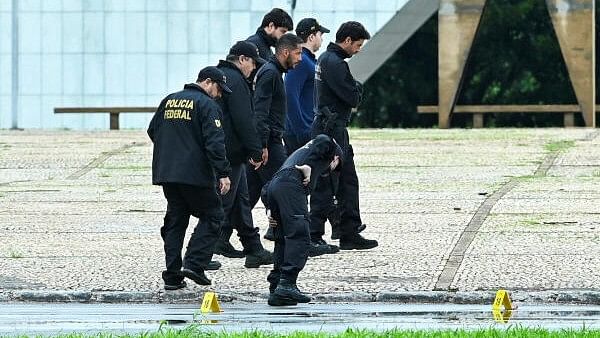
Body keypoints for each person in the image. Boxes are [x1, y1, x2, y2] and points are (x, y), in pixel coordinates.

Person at [147, 66, 232, 290]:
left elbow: (152, 131)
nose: (219, 94)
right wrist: (223, 172)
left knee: (176, 222)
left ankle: (173, 276)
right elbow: (215, 143)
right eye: (219, 88)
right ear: (207, 82)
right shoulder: (207, 105)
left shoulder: (169, 100)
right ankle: (194, 263)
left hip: (167, 174)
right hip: (195, 175)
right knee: (213, 216)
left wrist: (171, 151)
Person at [310, 21, 379, 251]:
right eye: (357, 45)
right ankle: (314, 234)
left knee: (347, 181)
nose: (358, 50)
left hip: (333, 128)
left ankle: (348, 231)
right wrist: (357, 88)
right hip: (331, 131)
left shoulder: (327, 60)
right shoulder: (335, 63)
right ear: (347, 41)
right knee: (327, 182)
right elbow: (353, 97)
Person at [261, 134, 343, 306]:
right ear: (336, 158)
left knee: (283, 239)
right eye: (335, 165)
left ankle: (276, 287)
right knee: (300, 235)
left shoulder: (297, 155)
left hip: (274, 188)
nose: (330, 170)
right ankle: (287, 284)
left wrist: (270, 208)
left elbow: (268, 187)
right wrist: (309, 167)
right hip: (290, 186)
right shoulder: (326, 146)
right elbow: (325, 141)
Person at [214, 41, 273, 268]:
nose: (254, 69)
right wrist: (256, 151)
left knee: (240, 201)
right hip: (231, 152)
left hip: (224, 150)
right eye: (252, 63)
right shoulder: (237, 80)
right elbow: (243, 120)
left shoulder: (219, 75)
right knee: (222, 205)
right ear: (242, 59)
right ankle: (199, 255)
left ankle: (253, 248)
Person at [283, 18, 339, 256]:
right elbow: (290, 96)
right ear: (312, 35)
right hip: (302, 133)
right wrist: (302, 132)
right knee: (311, 185)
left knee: (315, 184)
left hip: (307, 129)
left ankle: (312, 235)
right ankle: (311, 236)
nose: (322, 39)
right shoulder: (302, 62)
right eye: (320, 35)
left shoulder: (308, 62)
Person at [246, 33, 303, 222]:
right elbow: (260, 112)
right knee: (286, 185)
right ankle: (293, 235)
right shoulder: (270, 73)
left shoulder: (272, 72)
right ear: (285, 52)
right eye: (297, 53)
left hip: (268, 140)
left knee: (248, 194)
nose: (300, 59)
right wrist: (262, 145)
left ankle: (222, 235)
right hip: (269, 142)